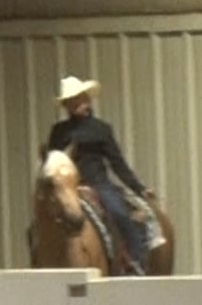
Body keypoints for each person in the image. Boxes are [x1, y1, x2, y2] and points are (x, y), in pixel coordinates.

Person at [46, 75, 164, 275]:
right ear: (66, 105)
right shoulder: (59, 131)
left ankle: (137, 260)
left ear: (87, 99)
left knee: (119, 213)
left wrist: (139, 188)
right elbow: (53, 162)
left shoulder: (100, 129)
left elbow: (117, 163)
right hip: (70, 186)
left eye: (80, 98)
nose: (78, 103)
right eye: (72, 100)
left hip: (98, 184)